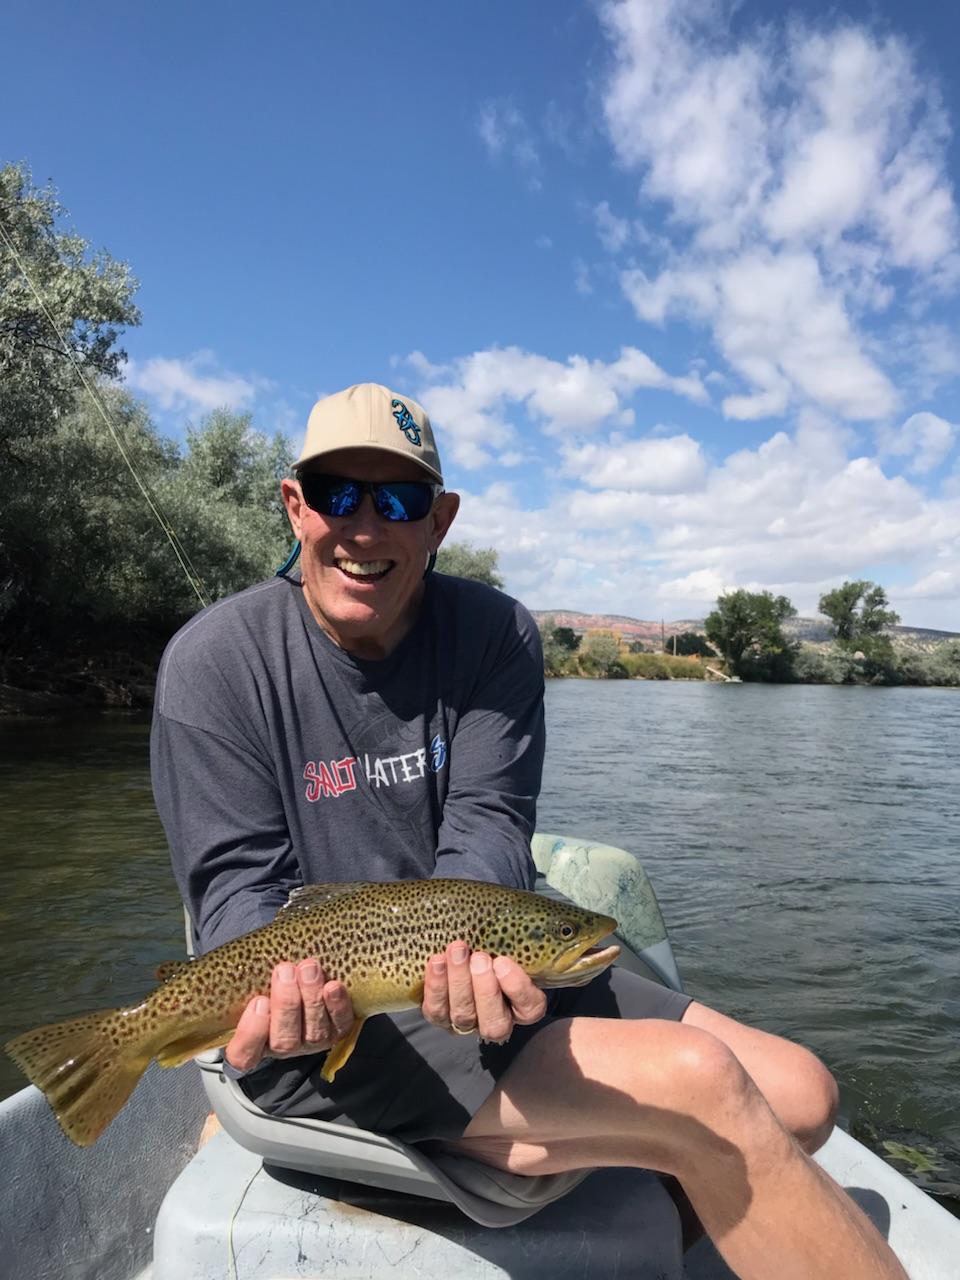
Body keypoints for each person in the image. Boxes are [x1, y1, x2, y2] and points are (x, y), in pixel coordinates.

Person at [151, 382, 907, 1280]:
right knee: (706, 1091)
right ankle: (636, 1151)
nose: (364, 527)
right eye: (336, 495)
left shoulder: (494, 632)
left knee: (804, 1096)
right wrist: (273, 997)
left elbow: (491, 823)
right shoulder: (212, 662)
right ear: (294, 505)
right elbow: (236, 892)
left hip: (489, 973)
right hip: (326, 1027)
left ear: (440, 520)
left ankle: (636, 1230)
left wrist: (467, 956)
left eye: (399, 500)